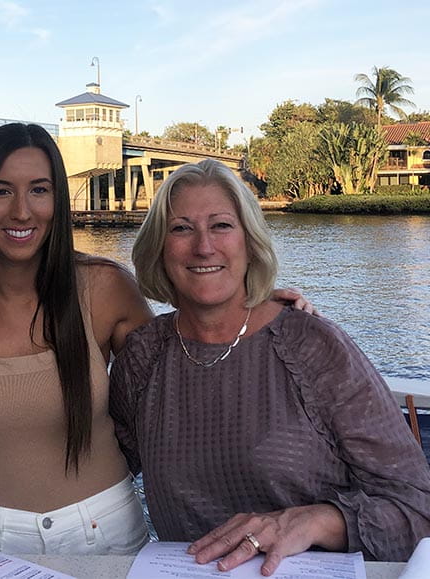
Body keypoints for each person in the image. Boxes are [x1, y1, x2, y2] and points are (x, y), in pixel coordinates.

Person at [0, 123, 312, 555]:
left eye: (39, 190)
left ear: (58, 199)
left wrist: (257, 309)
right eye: (0, 192)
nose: (22, 211)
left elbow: (191, 360)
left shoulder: (104, 287)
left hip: (107, 533)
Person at [109, 158, 430, 576]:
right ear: (159, 248)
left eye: (222, 225)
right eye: (181, 228)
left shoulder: (313, 347)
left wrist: (318, 520)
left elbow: (418, 508)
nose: (203, 246)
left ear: (250, 242)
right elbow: (104, 468)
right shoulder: (144, 355)